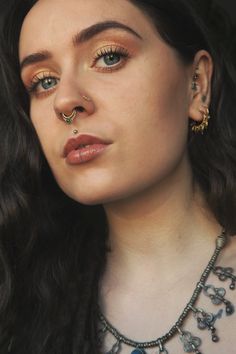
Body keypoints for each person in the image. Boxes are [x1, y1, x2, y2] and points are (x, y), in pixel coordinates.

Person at [0, 0, 236, 353]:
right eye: (44, 81)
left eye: (109, 57)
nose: (64, 102)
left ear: (197, 84)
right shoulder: (17, 312)